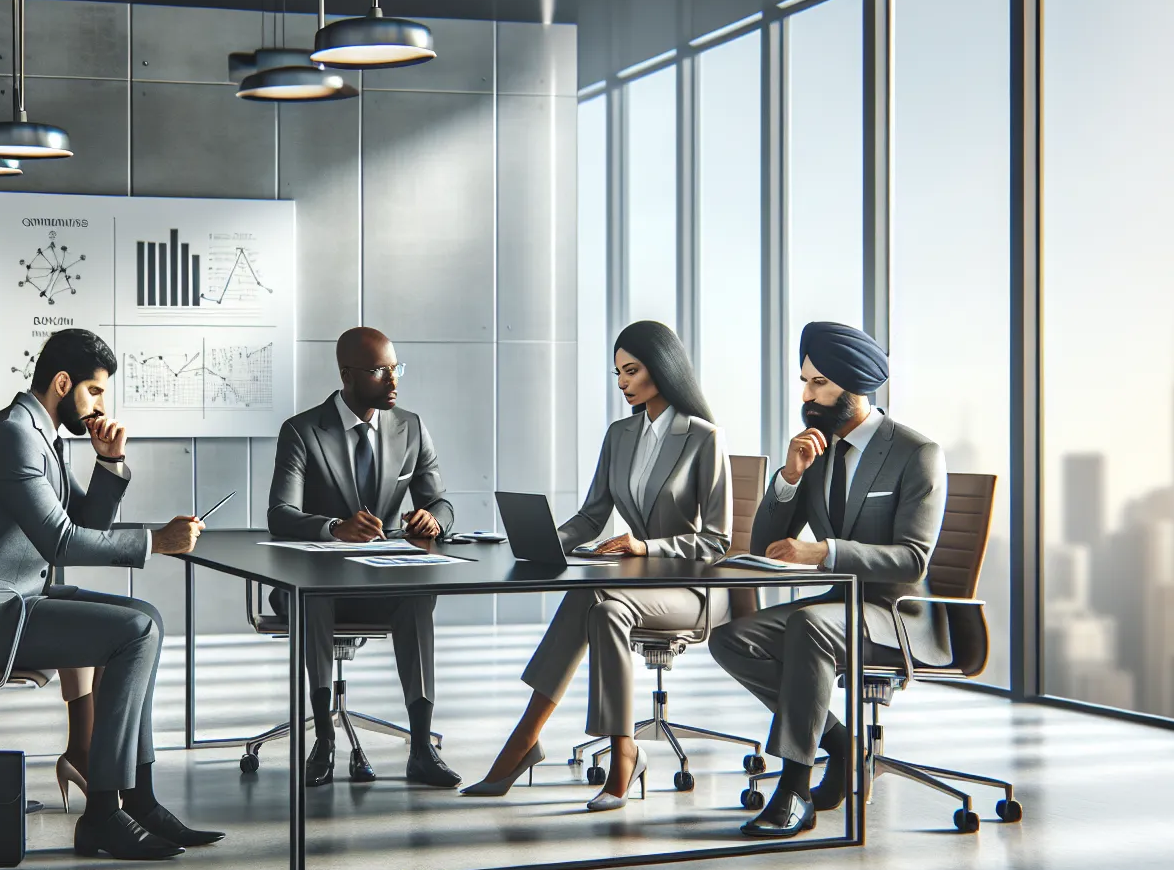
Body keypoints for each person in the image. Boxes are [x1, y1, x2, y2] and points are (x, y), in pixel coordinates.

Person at [0, 329, 224, 860]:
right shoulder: (13, 436)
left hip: (14, 603)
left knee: (147, 619)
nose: (101, 405)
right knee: (136, 630)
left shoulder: (42, 435)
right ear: (61, 382)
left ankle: (138, 799)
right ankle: (103, 812)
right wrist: (157, 542)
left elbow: (84, 522)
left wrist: (109, 463)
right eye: (95, 392)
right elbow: (60, 541)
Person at [463, 321, 732, 810]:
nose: (623, 383)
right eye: (618, 374)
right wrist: (548, 541)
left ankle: (525, 742)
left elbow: (716, 542)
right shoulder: (620, 434)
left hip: (688, 592)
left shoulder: (702, 438)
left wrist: (646, 548)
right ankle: (622, 748)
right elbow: (592, 515)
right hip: (626, 592)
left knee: (596, 598)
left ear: (663, 371)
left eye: (632, 371)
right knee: (602, 607)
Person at [709, 321, 947, 839]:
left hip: (896, 616)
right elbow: (763, 543)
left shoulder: (915, 453)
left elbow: (912, 560)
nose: (806, 395)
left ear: (855, 384)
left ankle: (795, 787)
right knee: (731, 639)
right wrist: (790, 477)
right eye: (804, 381)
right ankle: (841, 745)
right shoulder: (817, 450)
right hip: (840, 606)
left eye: (819, 383)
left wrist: (824, 551)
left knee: (810, 627)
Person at [266, 327, 461, 789]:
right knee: (312, 596)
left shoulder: (410, 427)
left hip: (381, 584)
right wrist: (335, 529)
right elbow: (280, 514)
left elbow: (442, 503)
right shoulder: (302, 431)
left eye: (396, 369)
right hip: (315, 586)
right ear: (346, 375)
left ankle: (420, 746)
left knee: (419, 596)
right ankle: (323, 741)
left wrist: (432, 522)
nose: (393, 380)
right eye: (380, 371)